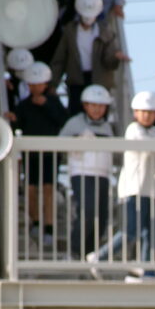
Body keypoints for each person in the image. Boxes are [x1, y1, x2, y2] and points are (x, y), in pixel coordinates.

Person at [89, 90, 155, 278]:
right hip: (134, 190)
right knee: (131, 231)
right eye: (143, 112)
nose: (147, 116)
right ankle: (99, 256)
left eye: (150, 112)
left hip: (150, 191)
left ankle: (148, 271)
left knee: (153, 232)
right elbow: (153, 148)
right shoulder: (133, 130)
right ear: (135, 113)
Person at [10, 61, 68, 248]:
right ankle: (35, 222)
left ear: (46, 84)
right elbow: (17, 124)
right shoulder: (24, 105)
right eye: (32, 84)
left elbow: (63, 121)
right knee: (31, 189)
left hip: (50, 154)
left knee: (49, 189)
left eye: (39, 84)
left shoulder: (54, 102)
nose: (35, 88)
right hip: (31, 155)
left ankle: (49, 228)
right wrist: (12, 119)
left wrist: (47, 105)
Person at [49, 0, 127, 116]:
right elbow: (60, 59)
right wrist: (53, 83)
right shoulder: (70, 31)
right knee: (76, 113)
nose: (88, 19)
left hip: (99, 79)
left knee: (99, 113)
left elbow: (108, 59)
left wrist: (115, 57)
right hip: (77, 79)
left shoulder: (104, 31)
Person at [61, 84, 114, 258]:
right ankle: (75, 251)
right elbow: (59, 143)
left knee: (101, 217)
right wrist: (78, 141)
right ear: (85, 105)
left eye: (101, 106)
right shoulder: (75, 123)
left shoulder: (107, 126)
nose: (97, 109)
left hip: (102, 174)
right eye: (93, 105)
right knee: (87, 211)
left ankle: (91, 253)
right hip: (82, 172)